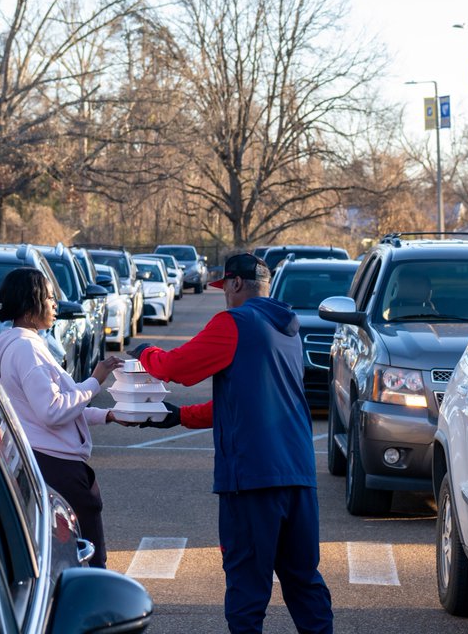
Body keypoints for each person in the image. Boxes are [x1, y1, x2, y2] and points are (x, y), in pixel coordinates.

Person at [128, 253, 334, 634]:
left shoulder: (235, 322)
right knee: (303, 582)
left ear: (236, 284)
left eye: (225, 288)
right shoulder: (287, 328)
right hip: (298, 475)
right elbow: (246, 402)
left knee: (246, 590)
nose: (224, 296)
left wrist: (144, 353)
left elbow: (176, 368)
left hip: (253, 479)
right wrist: (180, 416)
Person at [0, 267, 122, 569]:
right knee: (86, 561)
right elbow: (53, 410)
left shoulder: (24, 344)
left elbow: (52, 407)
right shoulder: (25, 349)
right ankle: (95, 612)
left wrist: (106, 415)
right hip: (54, 465)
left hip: (47, 460)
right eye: (49, 297)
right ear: (32, 304)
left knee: (69, 557)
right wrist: (94, 381)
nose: (55, 304)